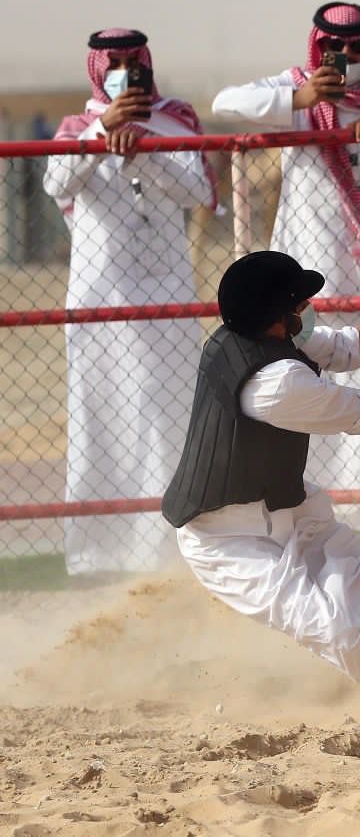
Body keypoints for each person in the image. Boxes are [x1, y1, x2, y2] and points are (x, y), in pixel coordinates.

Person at [162, 250, 360, 712]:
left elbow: (350, 347)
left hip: (289, 509)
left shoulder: (254, 337)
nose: (307, 309)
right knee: (343, 630)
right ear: (276, 317)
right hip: (228, 542)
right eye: (299, 304)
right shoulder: (276, 382)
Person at [212, 2, 360, 531]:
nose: (346, 57)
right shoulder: (296, 93)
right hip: (304, 277)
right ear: (318, 47)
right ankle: (305, 507)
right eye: (336, 47)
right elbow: (225, 104)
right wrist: (299, 99)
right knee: (304, 376)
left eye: (355, 48)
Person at [44, 28, 217, 576]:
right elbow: (56, 182)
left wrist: (145, 153)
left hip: (165, 300)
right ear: (98, 68)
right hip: (100, 305)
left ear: (146, 63)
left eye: (131, 61)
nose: (123, 70)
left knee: (169, 424)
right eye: (112, 62)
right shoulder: (77, 128)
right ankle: (100, 557)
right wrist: (104, 131)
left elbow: (199, 193)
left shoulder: (176, 119)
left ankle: (169, 553)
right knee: (101, 424)